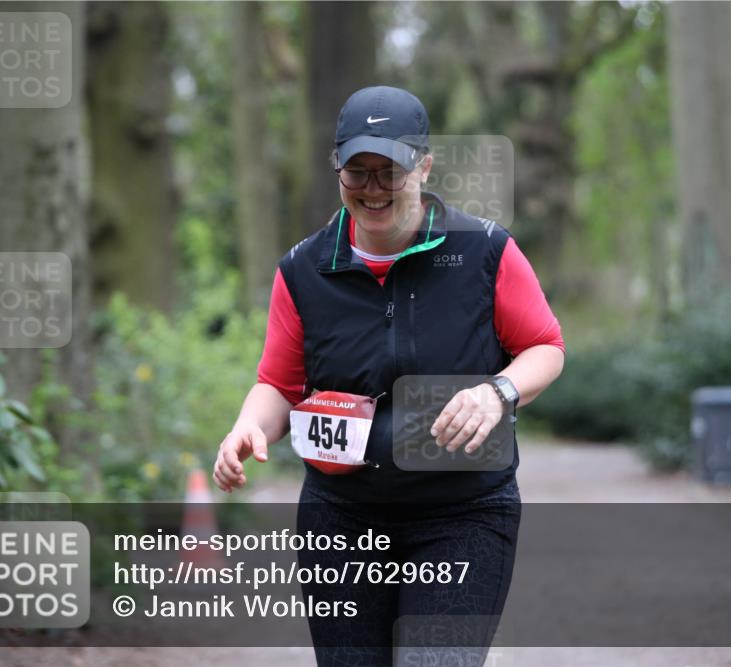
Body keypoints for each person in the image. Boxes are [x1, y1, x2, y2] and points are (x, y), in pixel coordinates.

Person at [213, 86, 564, 665]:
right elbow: (278, 382)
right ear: (337, 169)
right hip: (343, 516)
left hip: (464, 514)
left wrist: (497, 391)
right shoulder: (303, 270)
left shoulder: (485, 252)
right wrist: (248, 427)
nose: (373, 189)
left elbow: (545, 347)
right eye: (358, 172)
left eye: (391, 171)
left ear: (423, 166)